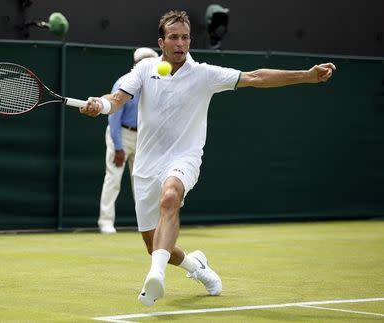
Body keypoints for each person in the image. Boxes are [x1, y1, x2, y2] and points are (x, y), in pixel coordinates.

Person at [79, 10, 335, 306]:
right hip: (147, 165)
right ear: (162, 42)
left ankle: (156, 278)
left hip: (183, 157)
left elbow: (255, 77)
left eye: (185, 37)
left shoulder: (204, 74)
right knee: (154, 245)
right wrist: (99, 104)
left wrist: (306, 75)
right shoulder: (144, 69)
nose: (180, 43)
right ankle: (196, 266)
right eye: (174, 37)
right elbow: (117, 100)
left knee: (170, 198)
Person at [98, 47, 159, 234]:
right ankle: (106, 222)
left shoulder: (157, 84)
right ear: (136, 65)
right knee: (113, 179)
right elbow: (114, 117)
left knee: (142, 182)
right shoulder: (124, 83)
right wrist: (118, 146)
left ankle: (148, 224)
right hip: (121, 135)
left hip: (143, 137)